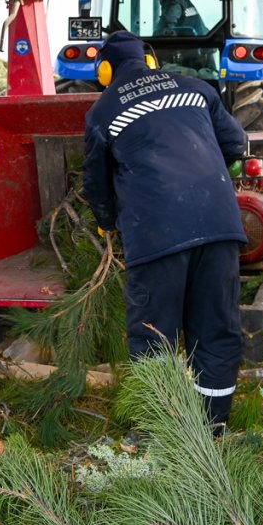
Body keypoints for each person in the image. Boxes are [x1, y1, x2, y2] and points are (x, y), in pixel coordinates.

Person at [83, 31, 247, 427]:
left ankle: (165, 433)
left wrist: (107, 224)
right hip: (220, 227)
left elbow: (97, 185)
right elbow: (237, 143)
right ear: (151, 60)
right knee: (216, 332)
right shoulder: (197, 89)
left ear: (105, 70)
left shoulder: (103, 111)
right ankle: (212, 429)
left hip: (156, 237)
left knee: (154, 336)